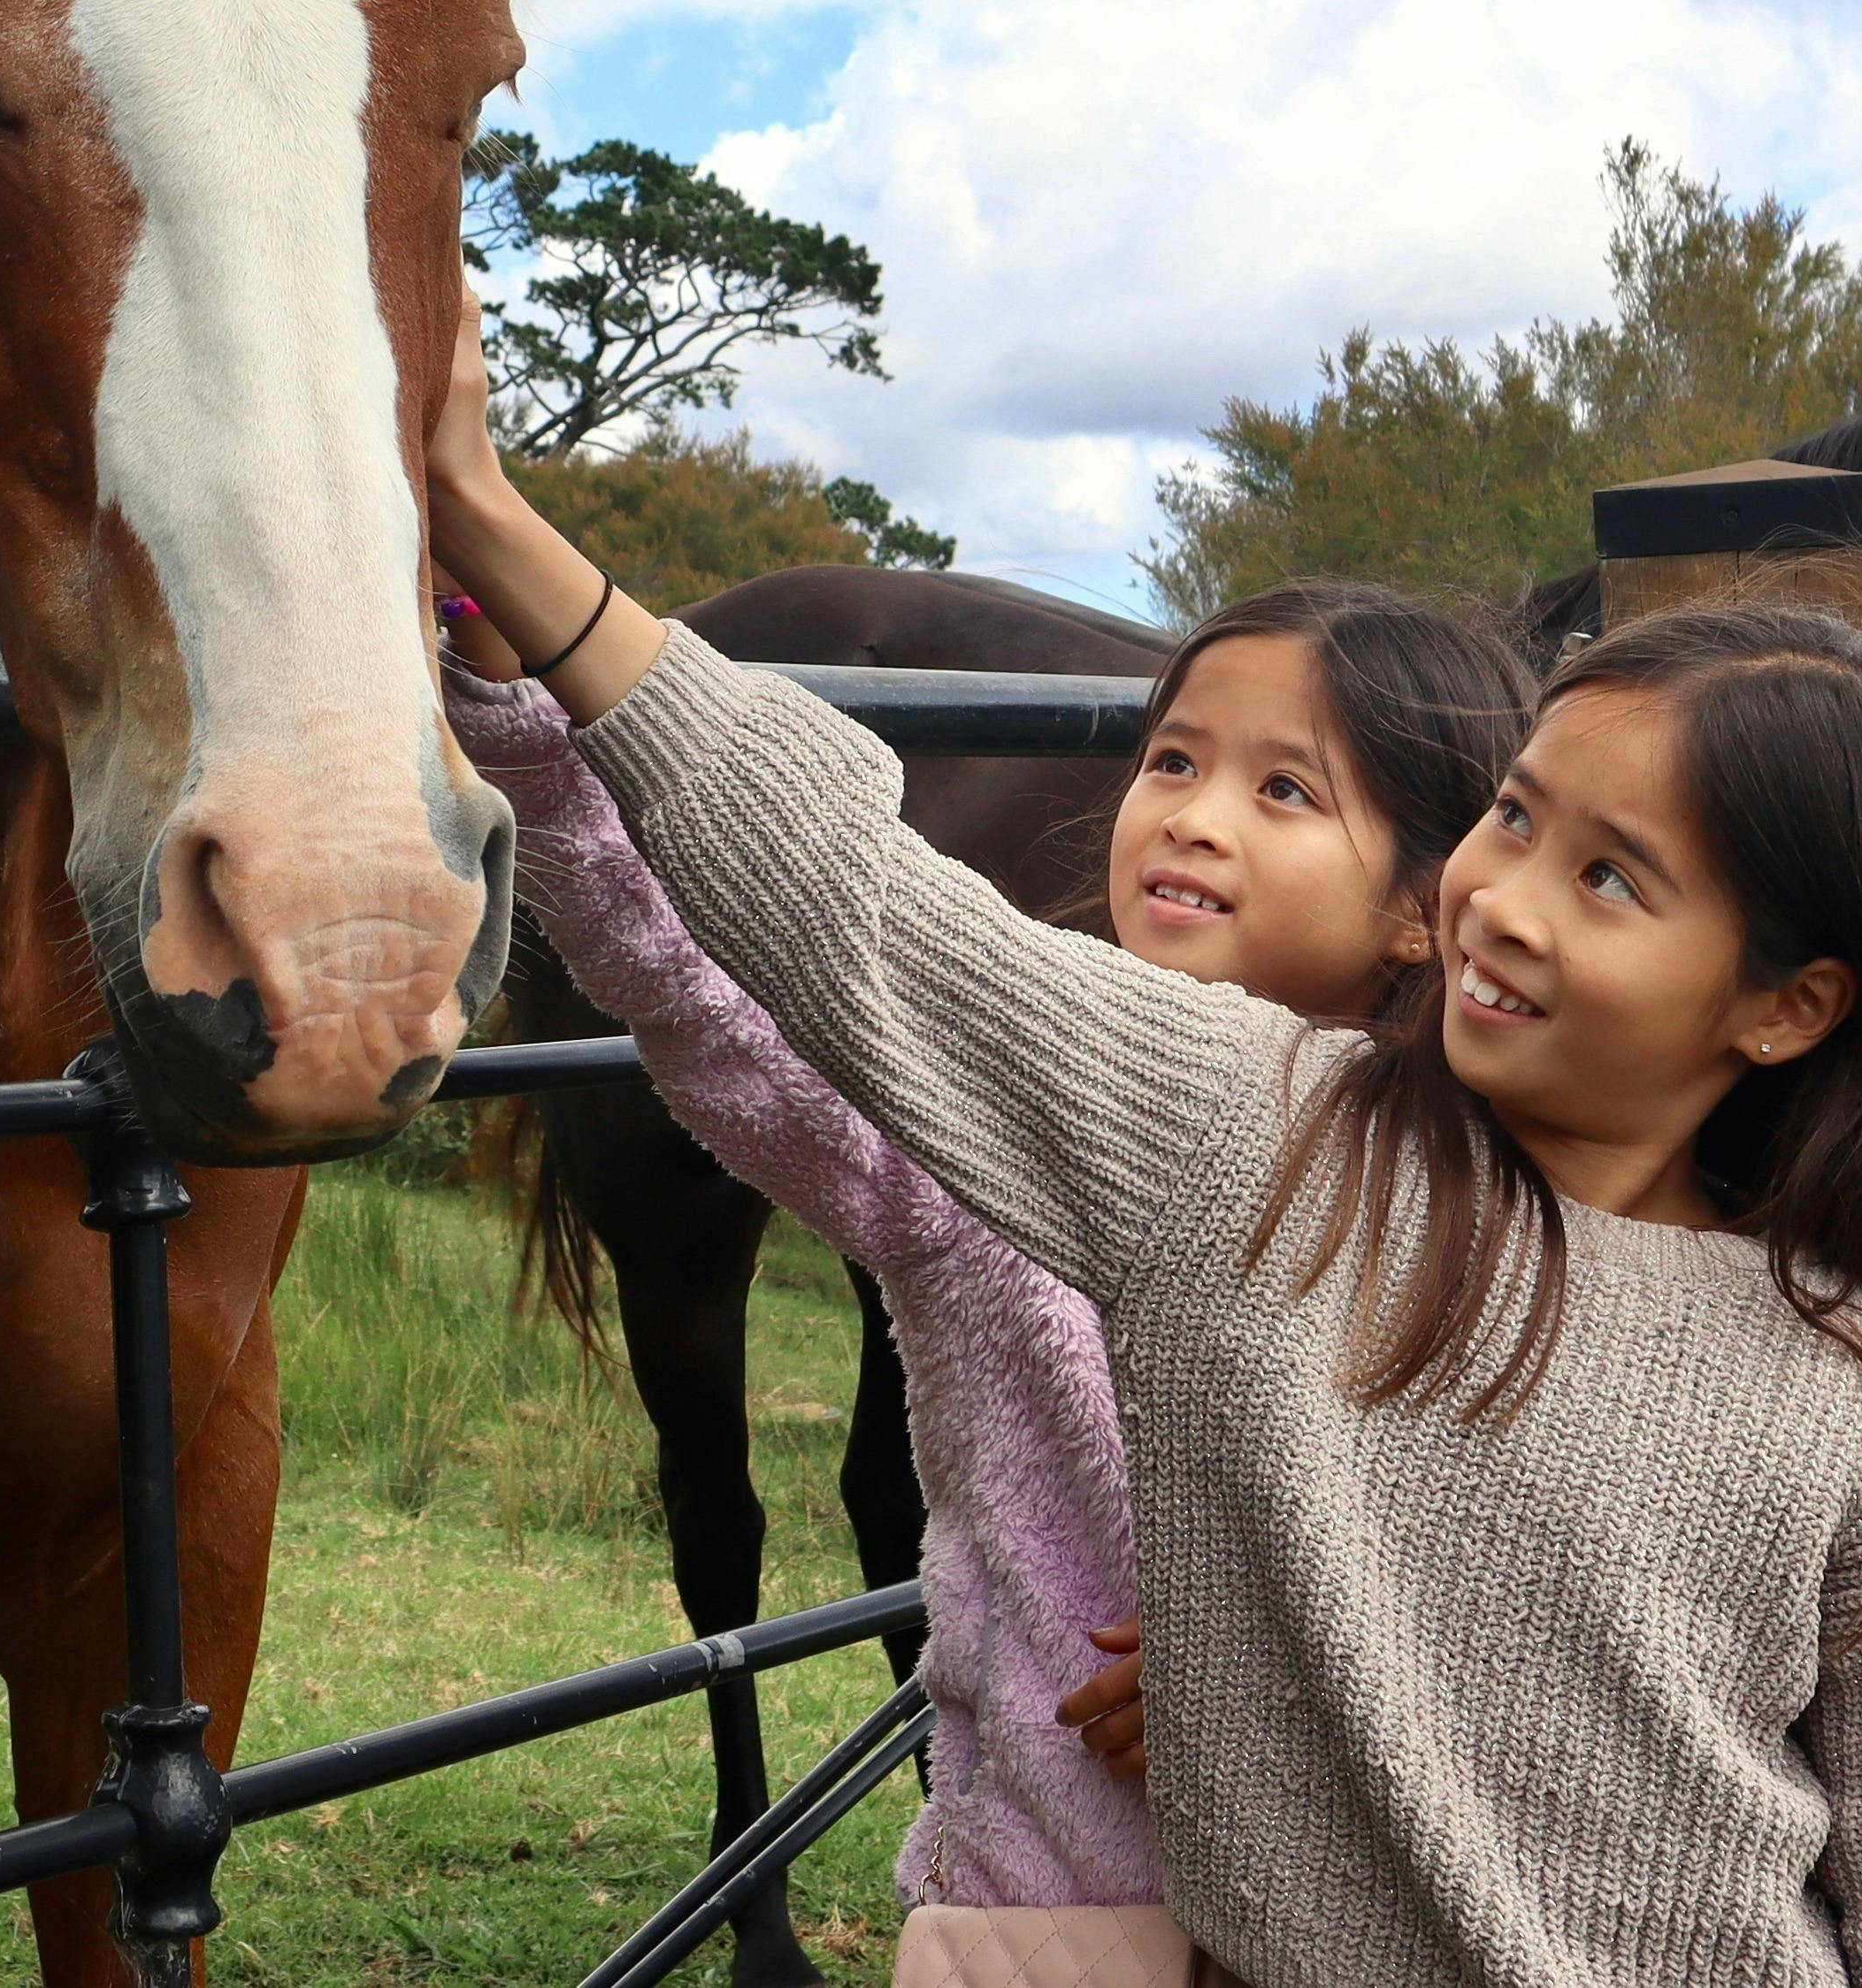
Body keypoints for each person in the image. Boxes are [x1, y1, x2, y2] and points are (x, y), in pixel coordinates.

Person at [426, 333, 1862, 1984]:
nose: (1502, 902)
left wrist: (1249, 1671)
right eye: (1513, 818)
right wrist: (505, 538)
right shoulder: (1260, 1143)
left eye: (1610, 879)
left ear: (1787, 1003)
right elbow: (862, 904)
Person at [449, 575, 1524, 1984]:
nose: (1194, 812)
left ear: (1417, 908)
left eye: (1284, 790)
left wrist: (1265, 1652)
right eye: (1174, 760)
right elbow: (697, 999)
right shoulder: (987, 1182)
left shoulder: (1501, 1211)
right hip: (1046, 1925)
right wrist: (521, 719)